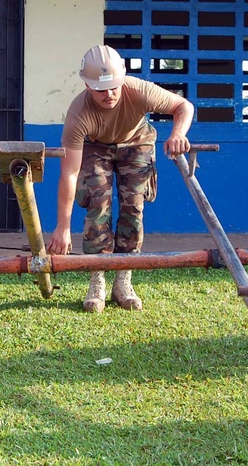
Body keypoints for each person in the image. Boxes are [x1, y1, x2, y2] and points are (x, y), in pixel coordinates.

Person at [47, 44, 193, 312]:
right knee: (97, 203)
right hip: (95, 146)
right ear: (87, 86)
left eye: (114, 86)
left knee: (133, 206)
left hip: (137, 141)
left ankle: (124, 279)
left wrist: (177, 134)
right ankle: (97, 279)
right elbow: (69, 173)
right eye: (100, 89)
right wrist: (62, 228)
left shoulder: (139, 90)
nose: (109, 94)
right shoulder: (78, 114)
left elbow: (184, 106)